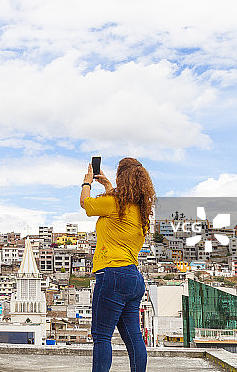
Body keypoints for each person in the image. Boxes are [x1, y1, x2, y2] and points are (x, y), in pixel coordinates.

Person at [80, 157, 155, 372]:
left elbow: (86, 204)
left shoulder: (114, 204)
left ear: (122, 178)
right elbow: (119, 214)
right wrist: (107, 187)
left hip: (112, 275)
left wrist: (87, 182)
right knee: (133, 337)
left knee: (102, 336)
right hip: (133, 279)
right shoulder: (142, 214)